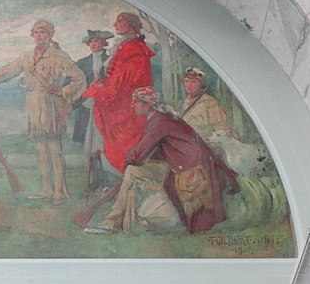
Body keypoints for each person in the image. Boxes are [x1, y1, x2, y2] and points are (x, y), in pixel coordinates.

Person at [84, 87, 238, 235]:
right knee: (133, 171)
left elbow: (137, 155)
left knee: (131, 171)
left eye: (137, 102)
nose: (133, 105)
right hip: (183, 166)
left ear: (148, 104)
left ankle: (111, 223)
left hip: (190, 171)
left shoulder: (159, 122)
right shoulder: (161, 118)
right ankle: (115, 221)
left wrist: (128, 161)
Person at [0, 19, 86, 205]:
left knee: (54, 148)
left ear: (50, 35)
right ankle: (45, 189)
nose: (39, 36)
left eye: (43, 33)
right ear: (32, 35)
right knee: (40, 148)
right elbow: (8, 70)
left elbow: (79, 78)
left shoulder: (58, 56)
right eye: (36, 33)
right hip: (33, 103)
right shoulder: (27, 56)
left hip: (51, 103)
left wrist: (62, 91)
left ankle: (59, 192)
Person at [81, 12, 154, 173]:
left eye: (120, 22)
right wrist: (102, 85)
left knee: (121, 141)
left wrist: (100, 89)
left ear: (131, 25)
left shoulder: (134, 49)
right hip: (119, 99)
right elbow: (116, 79)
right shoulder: (124, 46)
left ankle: (119, 177)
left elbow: (124, 84)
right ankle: (101, 178)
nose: (115, 25)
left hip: (127, 105)